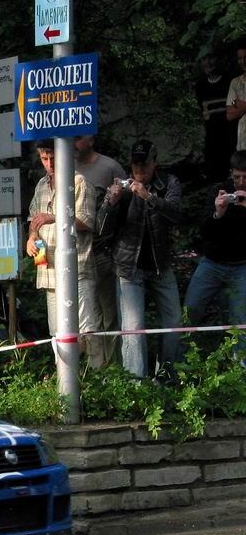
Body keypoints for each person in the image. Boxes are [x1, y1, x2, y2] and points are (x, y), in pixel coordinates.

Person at [99, 139, 183, 379]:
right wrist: (110, 202)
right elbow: (101, 229)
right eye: (135, 165)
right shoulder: (122, 187)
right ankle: (137, 385)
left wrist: (148, 197)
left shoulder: (169, 183)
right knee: (134, 329)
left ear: (155, 163)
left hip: (161, 265)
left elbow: (177, 214)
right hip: (129, 267)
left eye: (145, 165)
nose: (140, 171)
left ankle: (167, 376)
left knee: (175, 323)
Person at [25, 139, 103, 367]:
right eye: (44, 158)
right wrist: (31, 237)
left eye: (53, 158)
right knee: (58, 333)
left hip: (76, 268)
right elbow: (34, 221)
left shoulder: (79, 182)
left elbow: (87, 222)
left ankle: (99, 380)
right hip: (49, 270)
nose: (49, 163)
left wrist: (54, 217)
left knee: (87, 330)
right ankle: (64, 384)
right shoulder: (41, 185)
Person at [185, 150, 246, 357]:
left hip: (242, 266)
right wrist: (218, 213)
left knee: (242, 321)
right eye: (237, 176)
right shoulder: (219, 191)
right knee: (189, 312)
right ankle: (174, 369)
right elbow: (203, 231)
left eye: (245, 177)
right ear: (231, 173)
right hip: (212, 263)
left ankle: (240, 374)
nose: (240, 182)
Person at [75, 135, 126, 366]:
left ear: (91, 139)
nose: (73, 143)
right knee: (87, 317)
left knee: (109, 314)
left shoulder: (109, 167)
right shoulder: (65, 166)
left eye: (78, 138)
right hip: (77, 253)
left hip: (105, 251)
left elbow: (128, 209)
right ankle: (95, 368)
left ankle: (113, 370)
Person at [197, 50, 236, 182]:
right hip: (212, 142)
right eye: (204, 59)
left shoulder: (230, 82)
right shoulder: (200, 87)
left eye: (210, 58)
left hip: (231, 140)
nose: (207, 62)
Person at [226, 44, 246, 152]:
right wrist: (235, 102)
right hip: (242, 143)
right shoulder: (235, 82)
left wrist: (240, 104)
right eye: (240, 58)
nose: (243, 61)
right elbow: (230, 114)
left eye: (245, 57)